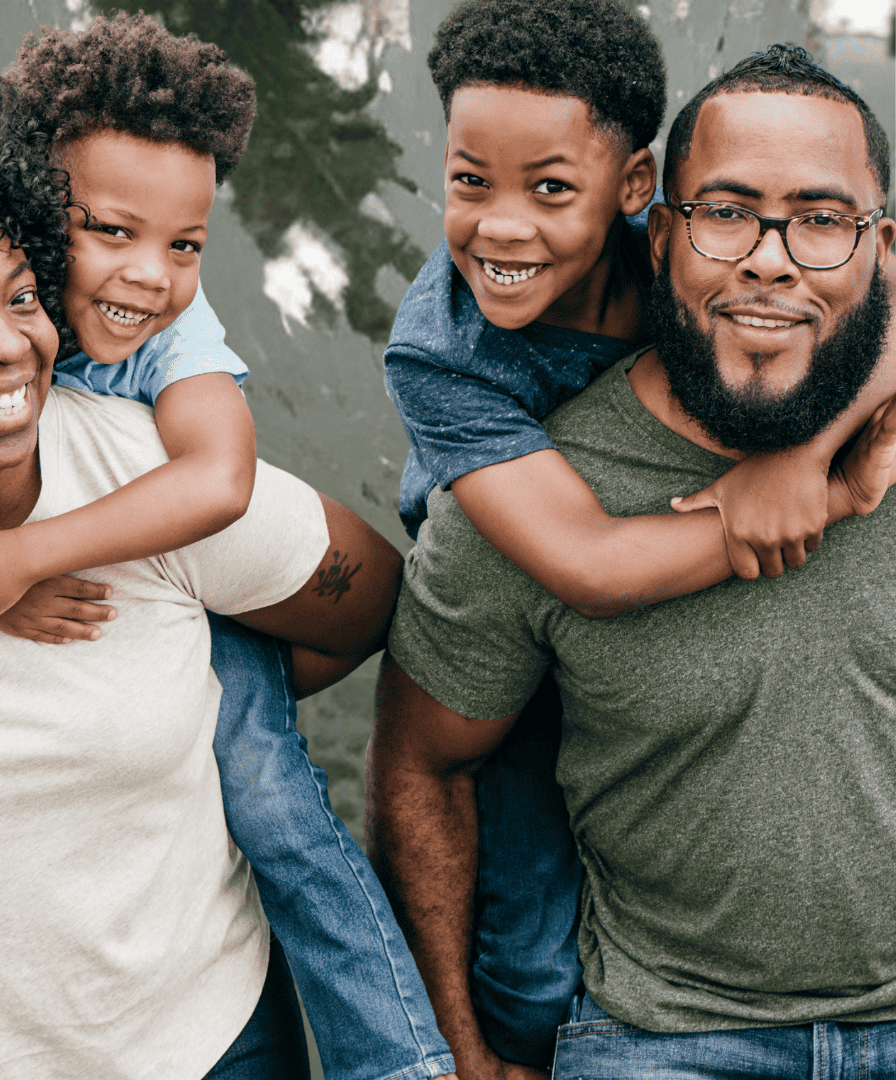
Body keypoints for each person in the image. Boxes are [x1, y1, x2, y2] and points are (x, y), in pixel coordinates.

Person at [0, 17, 456, 1080]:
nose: (2, 341)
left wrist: (178, 673)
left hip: (197, 1039)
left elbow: (266, 520)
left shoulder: (148, 415)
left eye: (21, 298)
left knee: (278, 807)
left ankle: (400, 1058)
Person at [381, 2, 896, 1067]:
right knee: (526, 928)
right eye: (727, 213)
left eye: (820, 219)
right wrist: (460, 1050)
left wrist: (808, 459)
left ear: (880, 250)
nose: (769, 259)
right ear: (660, 233)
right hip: (663, 1030)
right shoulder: (487, 438)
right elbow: (424, 765)